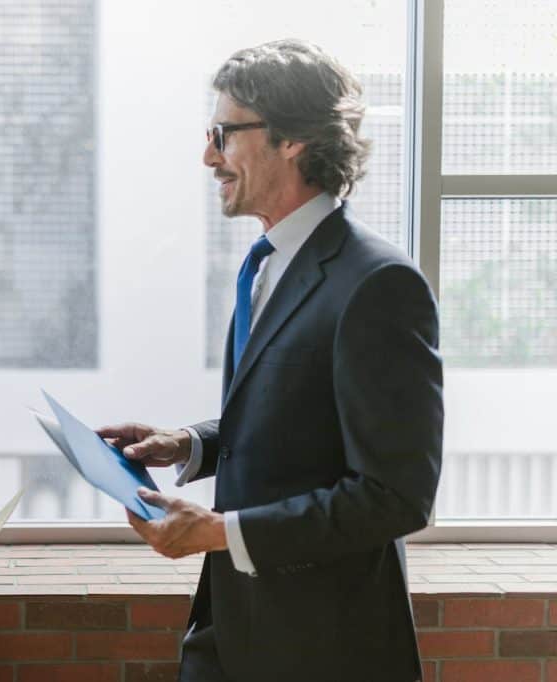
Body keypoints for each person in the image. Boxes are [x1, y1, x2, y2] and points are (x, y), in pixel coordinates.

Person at [99, 40, 443, 682]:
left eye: (224, 134)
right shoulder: (268, 264)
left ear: (293, 140)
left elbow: (396, 497)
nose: (209, 156)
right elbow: (295, 415)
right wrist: (191, 444)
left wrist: (222, 532)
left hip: (324, 645)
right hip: (231, 624)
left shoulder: (378, 284)